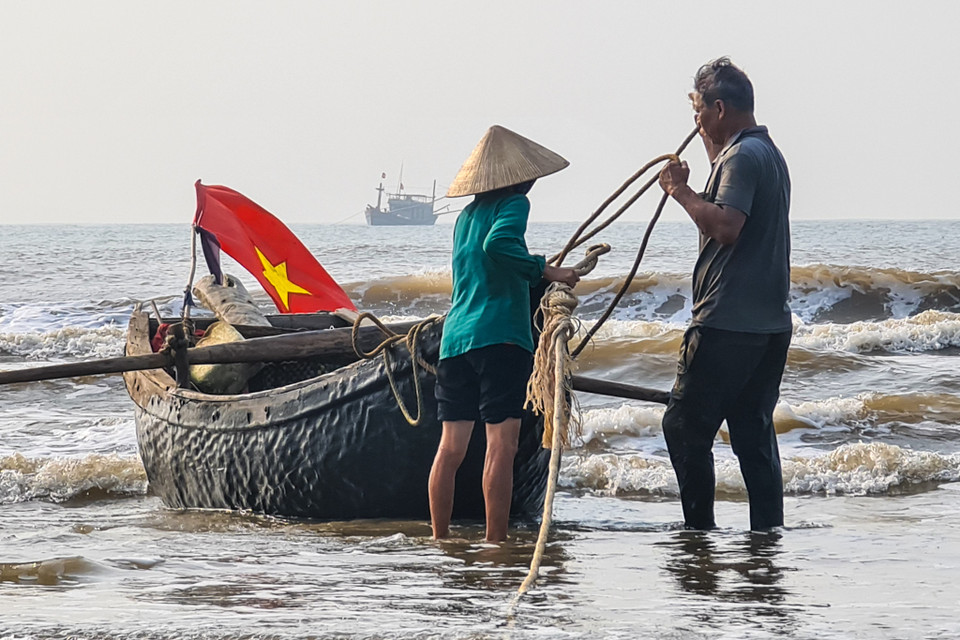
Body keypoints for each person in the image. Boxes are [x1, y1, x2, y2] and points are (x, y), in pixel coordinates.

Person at [657, 58, 792, 531]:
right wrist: (710, 162)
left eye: (698, 111)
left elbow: (727, 227)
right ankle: (766, 537)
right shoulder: (764, 152)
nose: (694, 122)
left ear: (718, 108)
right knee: (753, 434)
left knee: (682, 428)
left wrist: (681, 190)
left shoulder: (741, 158)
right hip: (768, 325)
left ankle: (699, 536)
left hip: (726, 322)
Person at [429, 125, 579, 542]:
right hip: (500, 339)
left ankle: (439, 539)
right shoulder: (514, 204)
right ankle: (495, 543)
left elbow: (484, 264)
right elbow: (499, 247)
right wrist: (548, 271)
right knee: (501, 446)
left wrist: (534, 267)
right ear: (520, 178)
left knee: (451, 448)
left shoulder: (465, 218)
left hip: (455, 341)